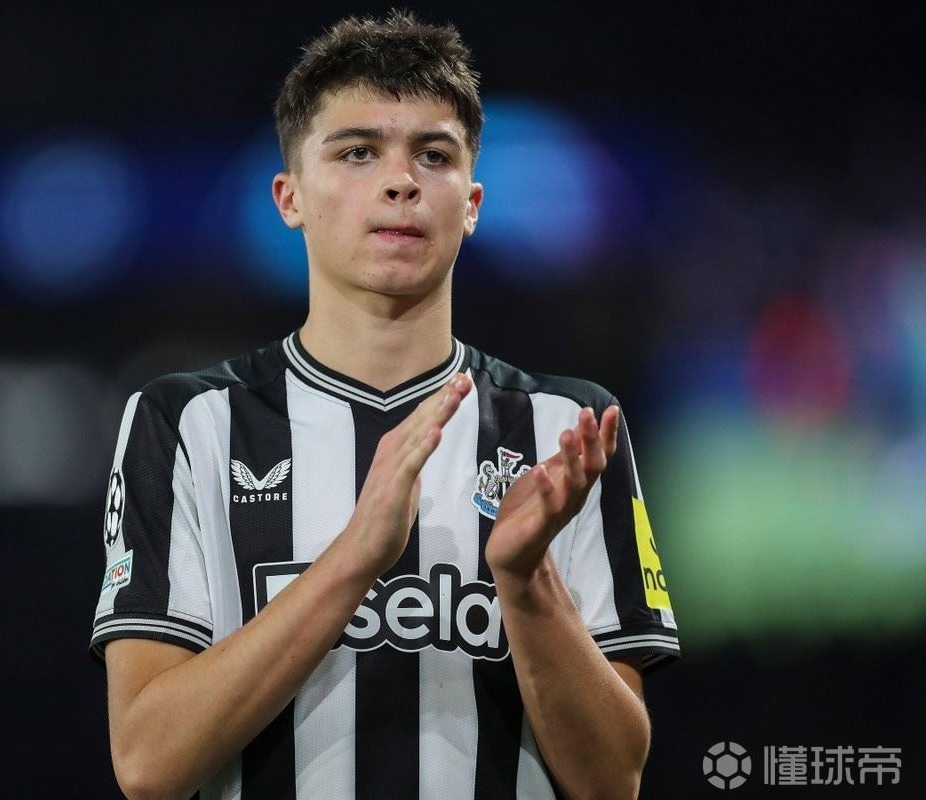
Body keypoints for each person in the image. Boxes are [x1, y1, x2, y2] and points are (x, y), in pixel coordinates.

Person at [90, 10, 679, 800]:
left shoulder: (569, 431)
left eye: (433, 155)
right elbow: (148, 763)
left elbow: (613, 782)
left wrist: (524, 579)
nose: (401, 181)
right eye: (358, 152)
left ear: (471, 204)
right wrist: (356, 556)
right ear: (290, 197)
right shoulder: (186, 423)